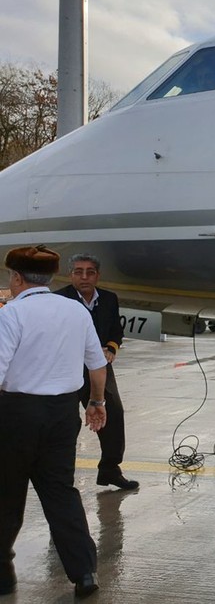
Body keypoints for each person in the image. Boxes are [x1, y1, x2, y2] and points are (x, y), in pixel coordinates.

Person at [0, 245, 108, 599]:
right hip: (63, 415)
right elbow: (97, 363)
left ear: (16, 278)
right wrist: (96, 401)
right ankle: (84, 573)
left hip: (16, 414)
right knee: (61, 492)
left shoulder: (11, 314)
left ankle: (3, 574)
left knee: (6, 494)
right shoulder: (75, 310)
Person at [56, 253, 139, 490]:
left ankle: (110, 469)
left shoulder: (109, 299)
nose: (84, 277)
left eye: (90, 272)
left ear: (97, 275)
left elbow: (116, 329)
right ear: (70, 274)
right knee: (67, 421)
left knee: (113, 414)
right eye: (78, 272)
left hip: (99, 367)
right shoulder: (60, 299)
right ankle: (62, 474)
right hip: (68, 368)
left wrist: (112, 348)